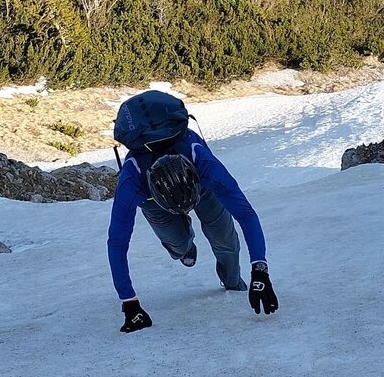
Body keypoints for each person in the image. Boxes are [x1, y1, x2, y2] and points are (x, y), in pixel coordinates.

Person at [107, 91, 279, 333]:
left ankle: (232, 282)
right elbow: (117, 242)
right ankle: (184, 246)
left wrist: (259, 272)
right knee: (178, 246)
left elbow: (246, 214)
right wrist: (130, 303)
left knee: (225, 240)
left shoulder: (205, 166)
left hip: (203, 189)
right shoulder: (131, 183)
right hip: (153, 202)